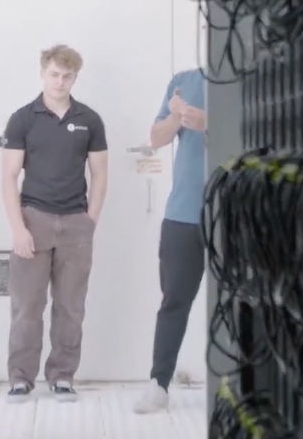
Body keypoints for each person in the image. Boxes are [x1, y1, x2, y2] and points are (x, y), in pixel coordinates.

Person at [1, 44, 109, 403]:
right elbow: (8, 177)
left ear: (75, 77)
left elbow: (100, 174)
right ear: (42, 73)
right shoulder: (22, 119)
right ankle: (20, 378)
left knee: (70, 306)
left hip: (75, 223)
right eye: (54, 74)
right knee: (27, 306)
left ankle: (62, 376)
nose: (60, 81)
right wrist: (18, 229)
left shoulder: (89, 120)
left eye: (67, 76)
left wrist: (89, 222)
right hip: (34, 220)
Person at [133, 68, 207, 414]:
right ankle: (158, 384)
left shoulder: (251, 76)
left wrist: (209, 122)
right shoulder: (184, 82)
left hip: (238, 212)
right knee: (173, 300)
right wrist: (177, 116)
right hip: (183, 215)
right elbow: (157, 137)